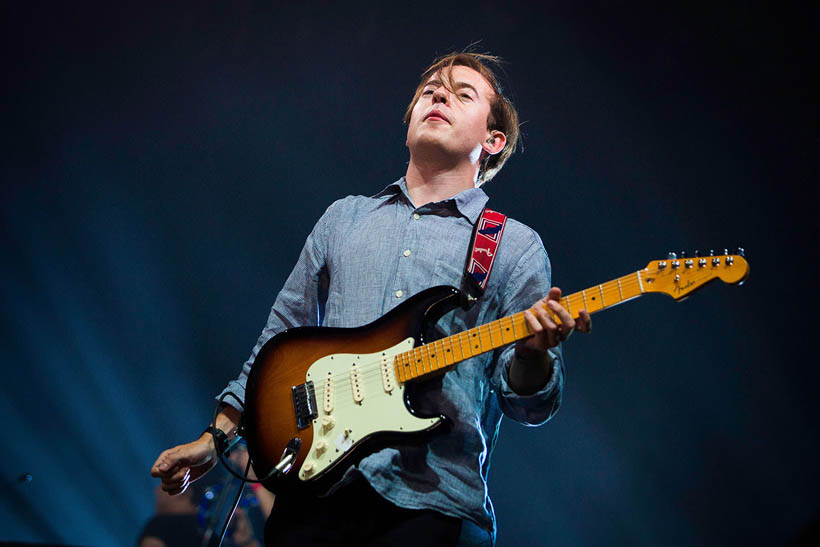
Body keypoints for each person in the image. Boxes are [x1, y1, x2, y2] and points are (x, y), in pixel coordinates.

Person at [151, 51, 591, 546]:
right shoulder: (344, 218)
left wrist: (533, 355)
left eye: (461, 93)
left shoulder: (513, 245)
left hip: (432, 504)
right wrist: (217, 437)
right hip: (315, 492)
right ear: (408, 126)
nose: (439, 95)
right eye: (429, 90)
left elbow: (529, 404)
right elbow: (278, 339)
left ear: (493, 141)